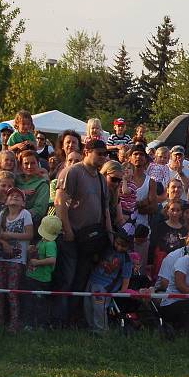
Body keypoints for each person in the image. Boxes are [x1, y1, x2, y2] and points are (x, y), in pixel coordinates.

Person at [54, 139, 112, 326]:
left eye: (105, 154)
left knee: (81, 282)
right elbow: (60, 202)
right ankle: (59, 320)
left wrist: (109, 233)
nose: (103, 157)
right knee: (67, 280)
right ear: (87, 151)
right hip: (72, 236)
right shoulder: (73, 172)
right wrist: (67, 229)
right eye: (99, 153)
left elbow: (105, 210)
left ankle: (73, 319)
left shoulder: (102, 179)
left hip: (91, 240)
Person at [0, 187, 33, 332]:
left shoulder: (25, 214)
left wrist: (10, 235)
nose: (14, 197)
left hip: (17, 259)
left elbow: (29, 234)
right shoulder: (2, 214)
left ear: (23, 202)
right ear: (6, 200)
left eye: (18, 196)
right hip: (0, 257)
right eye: (11, 195)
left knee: (12, 290)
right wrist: (4, 243)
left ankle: (14, 323)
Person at [157, 232, 189, 332]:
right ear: (187, 246)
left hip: (184, 301)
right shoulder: (183, 261)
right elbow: (180, 285)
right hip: (171, 304)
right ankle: (187, 335)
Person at [85, 228, 133, 332]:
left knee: (99, 308)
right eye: (117, 243)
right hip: (93, 279)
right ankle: (91, 327)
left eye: (123, 246)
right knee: (87, 305)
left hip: (105, 286)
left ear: (128, 246)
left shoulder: (126, 259)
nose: (119, 247)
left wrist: (123, 291)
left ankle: (101, 330)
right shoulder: (108, 249)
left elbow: (126, 276)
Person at [22, 215, 61, 330]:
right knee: (29, 301)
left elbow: (52, 259)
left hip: (41, 279)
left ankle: (41, 325)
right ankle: (29, 324)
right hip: (32, 276)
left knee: (40, 303)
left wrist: (37, 263)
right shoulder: (42, 241)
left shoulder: (50, 244)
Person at [150, 199, 187, 280]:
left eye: (178, 210)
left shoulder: (184, 230)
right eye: (172, 209)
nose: (175, 213)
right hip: (160, 262)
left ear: (181, 213)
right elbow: (152, 244)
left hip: (177, 264)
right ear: (167, 211)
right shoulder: (160, 226)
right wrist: (150, 262)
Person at [16, 150, 50, 230]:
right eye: (26, 163)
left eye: (33, 163)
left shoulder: (42, 184)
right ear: (21, 165)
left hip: (30, 226)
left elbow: (39, 210)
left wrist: (17, 216)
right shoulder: (15, 180)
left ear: (38, 164)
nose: (29, 166)